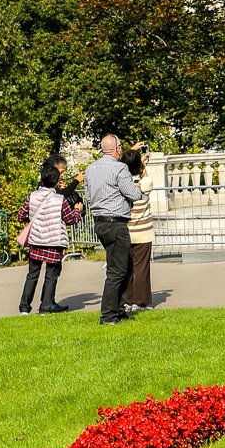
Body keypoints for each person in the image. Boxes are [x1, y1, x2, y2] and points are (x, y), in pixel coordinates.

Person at [83, 135, 139, 325]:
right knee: (116, 271)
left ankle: (119, 309)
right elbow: (132, 193)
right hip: (116, 223)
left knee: (126, 265)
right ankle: (108, 315)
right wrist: (140, 189)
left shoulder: (91, 169)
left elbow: (89, 197)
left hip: (100, 222)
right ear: (118, 149)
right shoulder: (119, 168)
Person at [17, 162, 84, 315]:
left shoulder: (32, 196)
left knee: (32, 273)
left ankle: (24, 307)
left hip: (35, 240)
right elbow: (70, 219)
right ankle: (45, 306)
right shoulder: (59, 199)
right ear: (55, 181)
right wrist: (77, 211)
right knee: (51, 274)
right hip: (54, 241)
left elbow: (21, 215)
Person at [123, 147, 154, 312]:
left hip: (127, 231)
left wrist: (131, 157)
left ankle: (128, 300)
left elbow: (124, 172)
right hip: (143, 231)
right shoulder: (144, 184)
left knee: (128, 268)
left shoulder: (123, 186)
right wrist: (141, 164)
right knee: (141, 268)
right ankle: (140, 302)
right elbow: (146, 178)